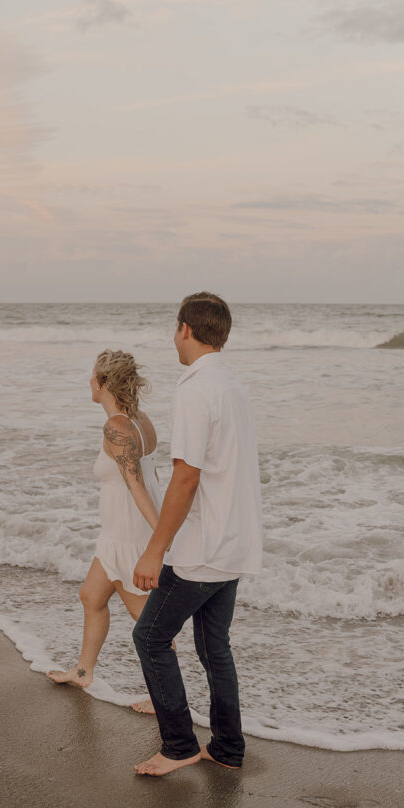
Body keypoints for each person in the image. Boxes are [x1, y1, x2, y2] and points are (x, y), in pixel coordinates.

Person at [131, 292, 263, 776]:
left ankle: (180, 745)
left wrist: (153, 550)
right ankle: (227, 749)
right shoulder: (234, 386)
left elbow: (187, 477)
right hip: (235, 542)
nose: (173, 336)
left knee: (149, 638)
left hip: (203, 547)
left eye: (174, 328)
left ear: (185, 329)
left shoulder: (194, 389)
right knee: (214, 648)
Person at [47, 350, 161, 698]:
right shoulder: (140, 419)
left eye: (93, 375)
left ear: (104, 383)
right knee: (91, 596)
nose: (89, 380)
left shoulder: (117, 427)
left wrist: (162, 537)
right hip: (116, 534)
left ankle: (167, 701)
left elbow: (138, 485)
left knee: (149, 627)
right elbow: (155, 476)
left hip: (130, 536)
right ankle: (83, 671)